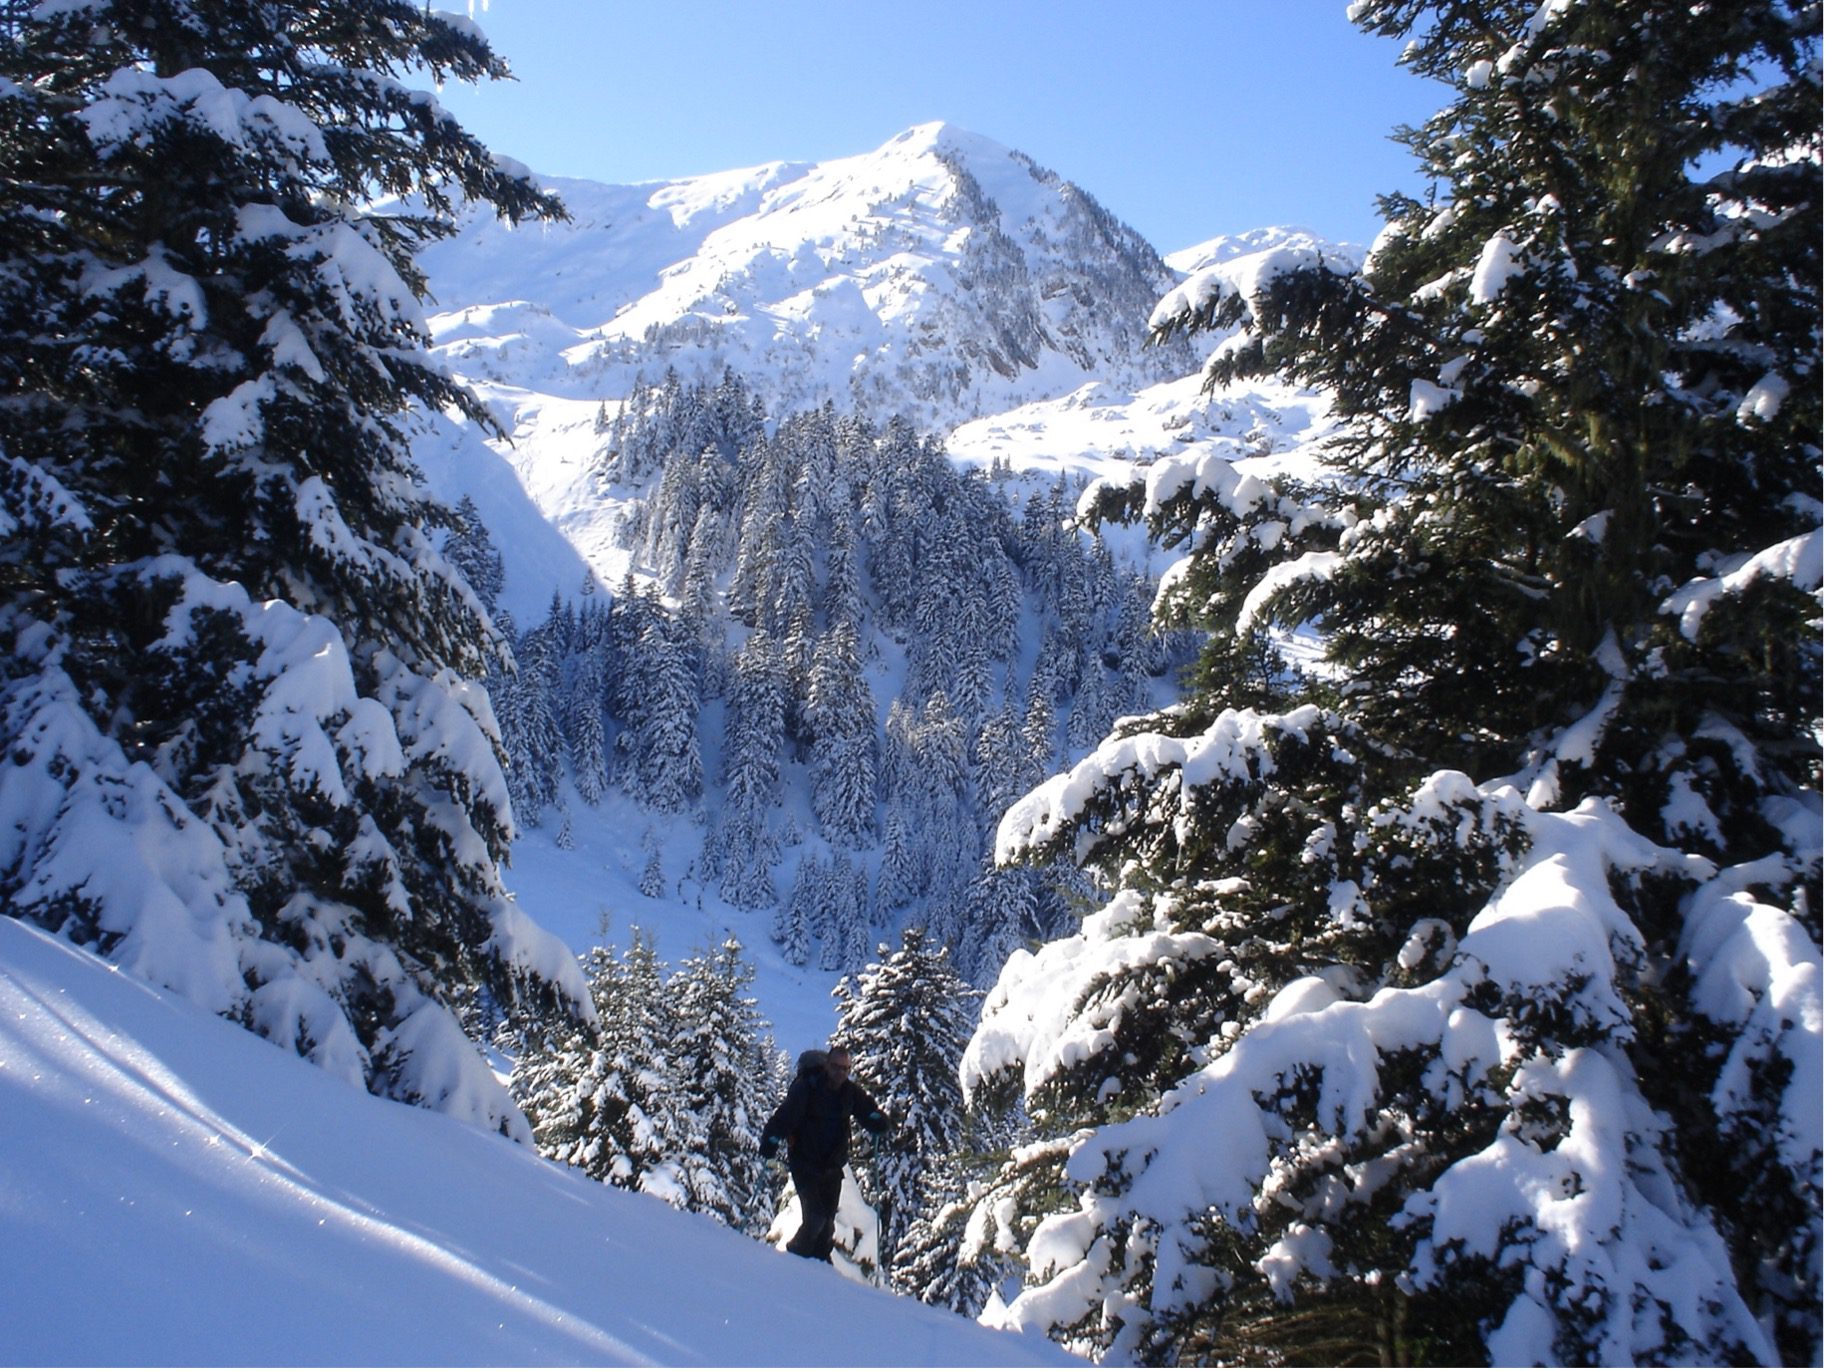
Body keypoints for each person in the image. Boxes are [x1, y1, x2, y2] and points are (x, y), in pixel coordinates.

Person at [759, 1043, 888, 1262]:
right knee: (816, 1218)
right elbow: (786, 1115)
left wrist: (878, 1121)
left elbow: (867, 1110)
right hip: (805, 1162)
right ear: (827, 1066)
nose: (841, 1073)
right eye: (837, 1067)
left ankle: (819, 1269)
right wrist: (771, 1138)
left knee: (827, 1224)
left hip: (832, 1167)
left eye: (846, 1069)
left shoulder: (849, 1092)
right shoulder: (807, 1088)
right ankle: (793, 1262)